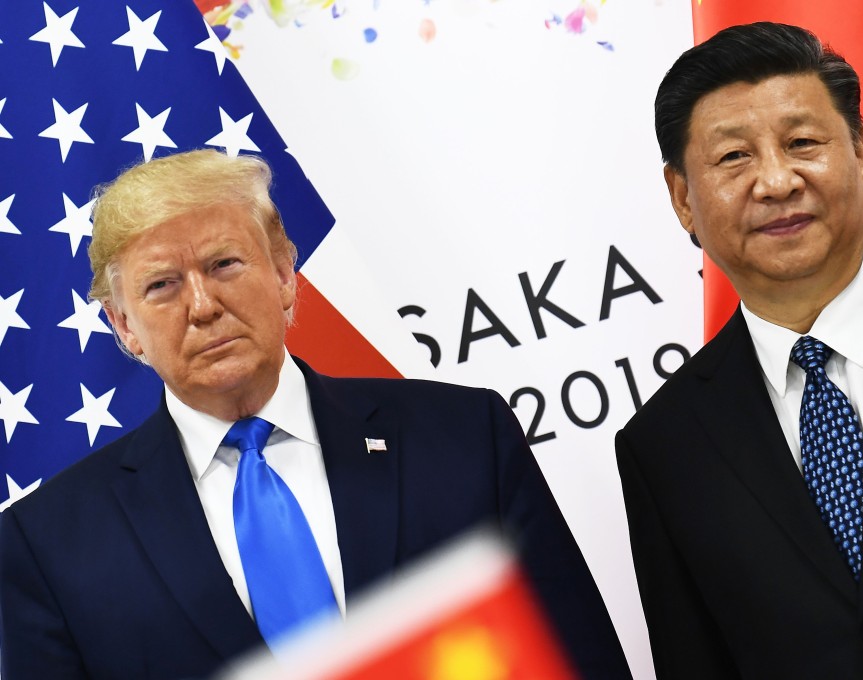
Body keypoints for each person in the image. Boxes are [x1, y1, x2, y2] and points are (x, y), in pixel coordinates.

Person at [0, 149, 630, 680]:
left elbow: (581, 658)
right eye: (161, 285)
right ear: (124, 327)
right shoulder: (48, 545)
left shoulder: (465, 438)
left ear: (283, 275)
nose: (202, 305)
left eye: (224, 264)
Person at [617, 21, 863, 680]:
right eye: (733, 157)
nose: (776, 182)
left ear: (860, 156)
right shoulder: (663, 445)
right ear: (683, 199)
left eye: (802, 142)